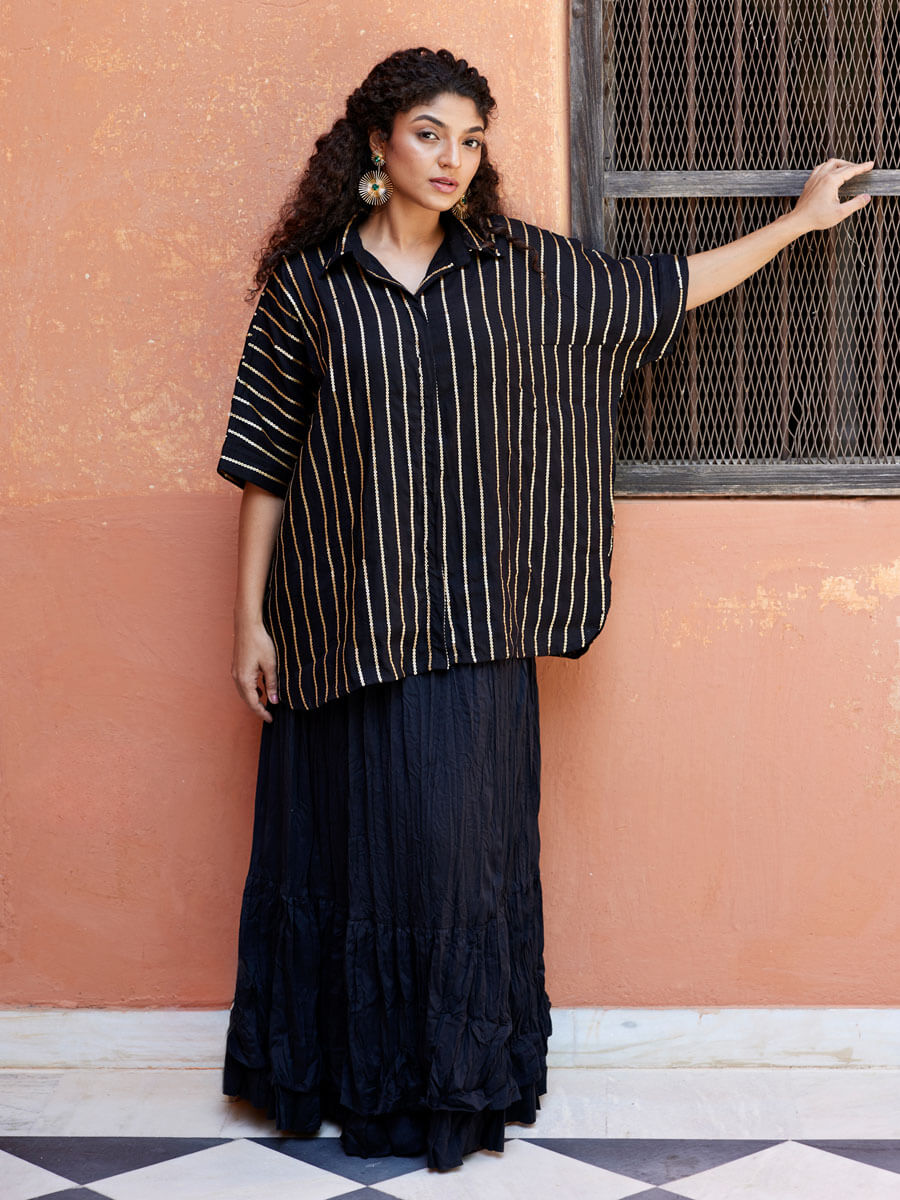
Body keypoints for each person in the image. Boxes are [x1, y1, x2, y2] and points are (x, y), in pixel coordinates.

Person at [216, 45, 872, 1171]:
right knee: (343, 856)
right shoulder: (309, 288)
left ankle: (453, 1090)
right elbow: (264, 462)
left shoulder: (523, 270)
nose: (453, 160)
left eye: (472, 140)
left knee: (454, 862)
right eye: (430, 134)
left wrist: (799, 223)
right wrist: (249, 623)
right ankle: (334, 1079)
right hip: (337, 625)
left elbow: (664, 288)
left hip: (476, 627)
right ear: (377, 141)